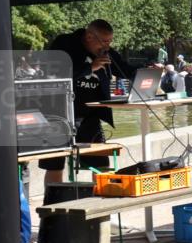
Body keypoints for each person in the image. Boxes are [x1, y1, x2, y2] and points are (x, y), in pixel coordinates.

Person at [38, 19, 135, 186]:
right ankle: (52, 208)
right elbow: (53, 74)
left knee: (101, 165)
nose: (107, 46)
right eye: (104, 41)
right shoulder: (65, 44)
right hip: (58, 113)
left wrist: (148, 71)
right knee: (54, 165)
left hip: (90, 115)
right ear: (89, 36)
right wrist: (90, 68)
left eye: (110, 41)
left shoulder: (105, 51)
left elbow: (125, 70)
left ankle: (101, 206)